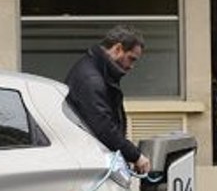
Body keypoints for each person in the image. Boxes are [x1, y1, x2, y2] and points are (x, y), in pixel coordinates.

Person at [65, 25, 152, 175]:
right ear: (118, 49)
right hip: (89, 163)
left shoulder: (94, 71)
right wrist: (135, 156)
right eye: (131, 58)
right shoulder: (92, 80)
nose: (132, 66)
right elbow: (103, 126)